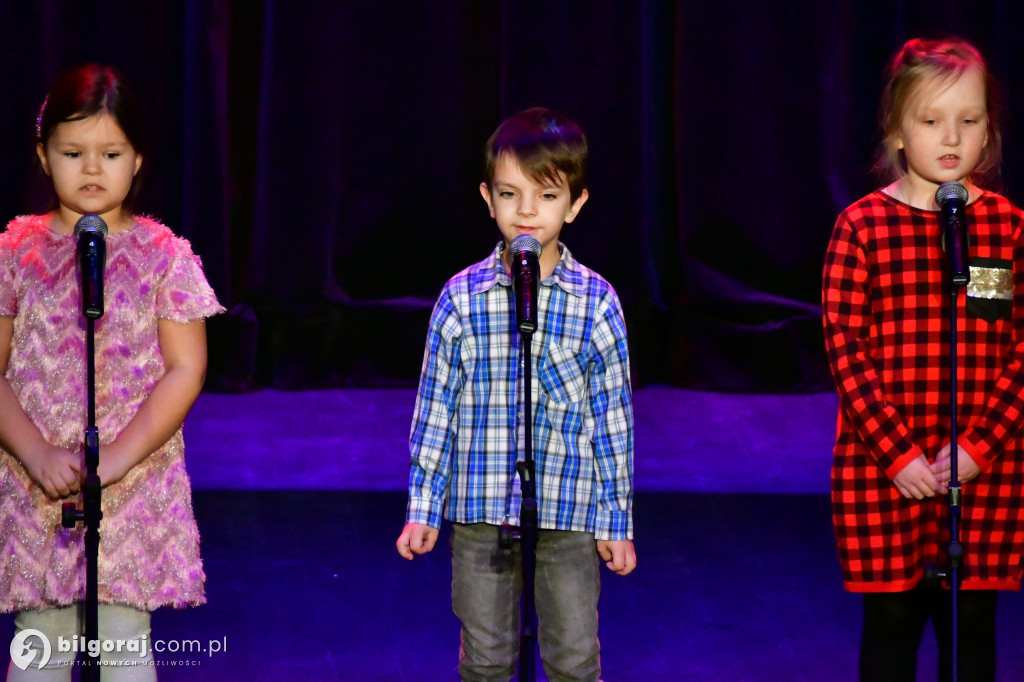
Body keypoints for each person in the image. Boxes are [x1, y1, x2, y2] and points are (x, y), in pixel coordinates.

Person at [396, 107, 635, 681]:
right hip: (481, 509)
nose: (526, 211)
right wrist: (424, 505)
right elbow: (435, 409)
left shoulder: (596, 302)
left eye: (546, 195)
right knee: (485, 659)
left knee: (575, 658)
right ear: (487, 197)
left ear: (575, 205)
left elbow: (612, 421)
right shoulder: (462, 297)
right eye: (510, 193)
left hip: (569, 510)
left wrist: (616, 518)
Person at [0, 64, 223, 679]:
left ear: (138, 159)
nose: (92, 169)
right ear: (44, 157)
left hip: (131, 486)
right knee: (40, 639)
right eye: (73, 152)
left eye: (110, 152)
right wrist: (38, 453)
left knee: (125, 637)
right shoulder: (14, 252)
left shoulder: (165, 257)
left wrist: (117, 457)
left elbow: (186, 369)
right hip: (37, 482)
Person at [823, 38, 1024, 682]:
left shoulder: (1003, 228)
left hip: (979, 469)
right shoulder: (862, 227)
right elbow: (845, 349)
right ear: (897, 131)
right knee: (892, 629)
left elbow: (1016, 345)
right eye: (931, 121)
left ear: (988, 129)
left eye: (969, 121)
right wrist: (897, 453)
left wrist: (980, 445)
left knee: (971, 633)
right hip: (891, 470)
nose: (951, 138)